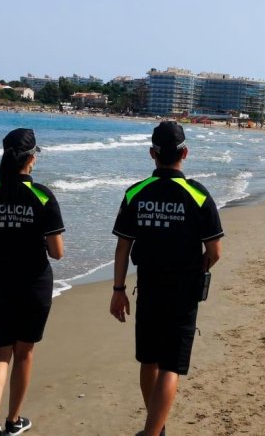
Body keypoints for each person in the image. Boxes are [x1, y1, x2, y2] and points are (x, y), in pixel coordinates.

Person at [110, 122, 223, 436]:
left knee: (149, 360)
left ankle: (154, 428)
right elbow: (215, 250)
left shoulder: (135, 192)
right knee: (170, 365)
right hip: (184, 289)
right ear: (185, 153)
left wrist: (118, 290)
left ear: (152, 154)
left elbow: (123, 246)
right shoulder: (198, 195)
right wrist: (199, 267)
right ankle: (152, 432)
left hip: (148, 285)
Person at [0, 128, 65, 436]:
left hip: (0, 283)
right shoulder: (42, 195)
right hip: (34, 284)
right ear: (32, 160)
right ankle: (13, 421)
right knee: (24, 352)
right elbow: (57, 252)